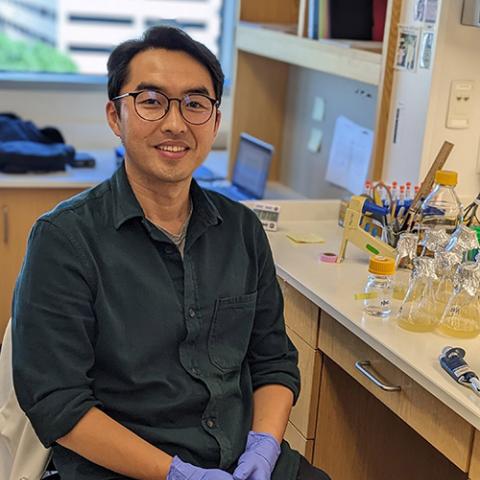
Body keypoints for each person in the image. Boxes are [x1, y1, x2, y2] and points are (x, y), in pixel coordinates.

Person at [12, 26, 331, 480]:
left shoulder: (242, 230)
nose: (176, 124)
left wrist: (263, 447)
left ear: (215, 121)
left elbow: (274, 362)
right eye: (151, 100)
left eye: (195, 104)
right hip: (120, 467)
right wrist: (178, 473)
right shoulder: (64, 239)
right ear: (114, 115)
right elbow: (57, 401)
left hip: (242, 462)